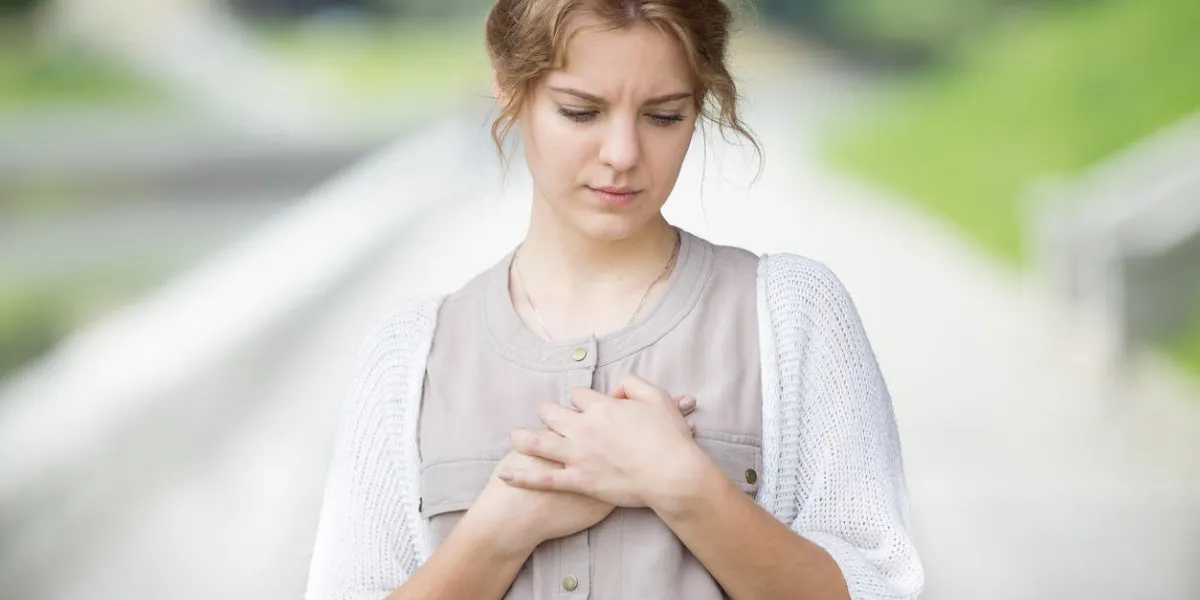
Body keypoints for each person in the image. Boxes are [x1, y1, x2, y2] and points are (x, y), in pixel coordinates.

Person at [303, 0, 924, 598]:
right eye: (580, 112)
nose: (623, 155)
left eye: (664, 116)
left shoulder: (795, 315)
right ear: (509, 88)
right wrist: (495, 534)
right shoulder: (410, 355)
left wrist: (687, 488)